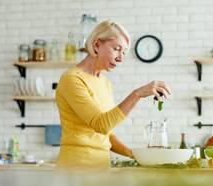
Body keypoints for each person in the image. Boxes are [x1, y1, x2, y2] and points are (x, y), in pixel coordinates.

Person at [55, 20, 171, 170]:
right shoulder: (72, 79)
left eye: (123, 52)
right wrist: (137, 94)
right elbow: (101, 125)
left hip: (101, 169)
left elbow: (107, 135)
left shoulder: (104, 83)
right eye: (117, 49)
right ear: (97, 45)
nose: (120, 58)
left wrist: (136, 155)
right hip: (76, 168)